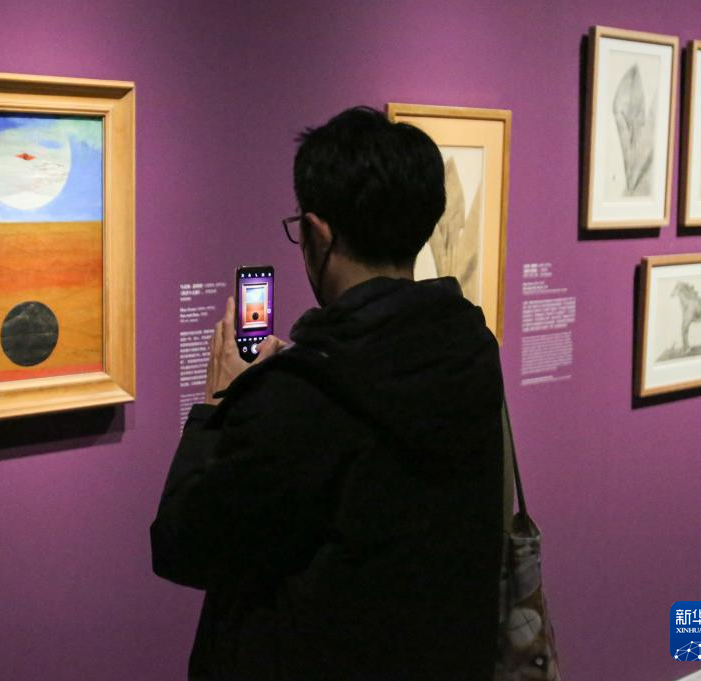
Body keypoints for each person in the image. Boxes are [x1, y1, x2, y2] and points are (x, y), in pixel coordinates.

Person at [150, 106, 505, 681]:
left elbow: (183, 545)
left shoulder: (302, 393)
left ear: (318, 233)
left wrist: (219, 404)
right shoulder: (470, 349)